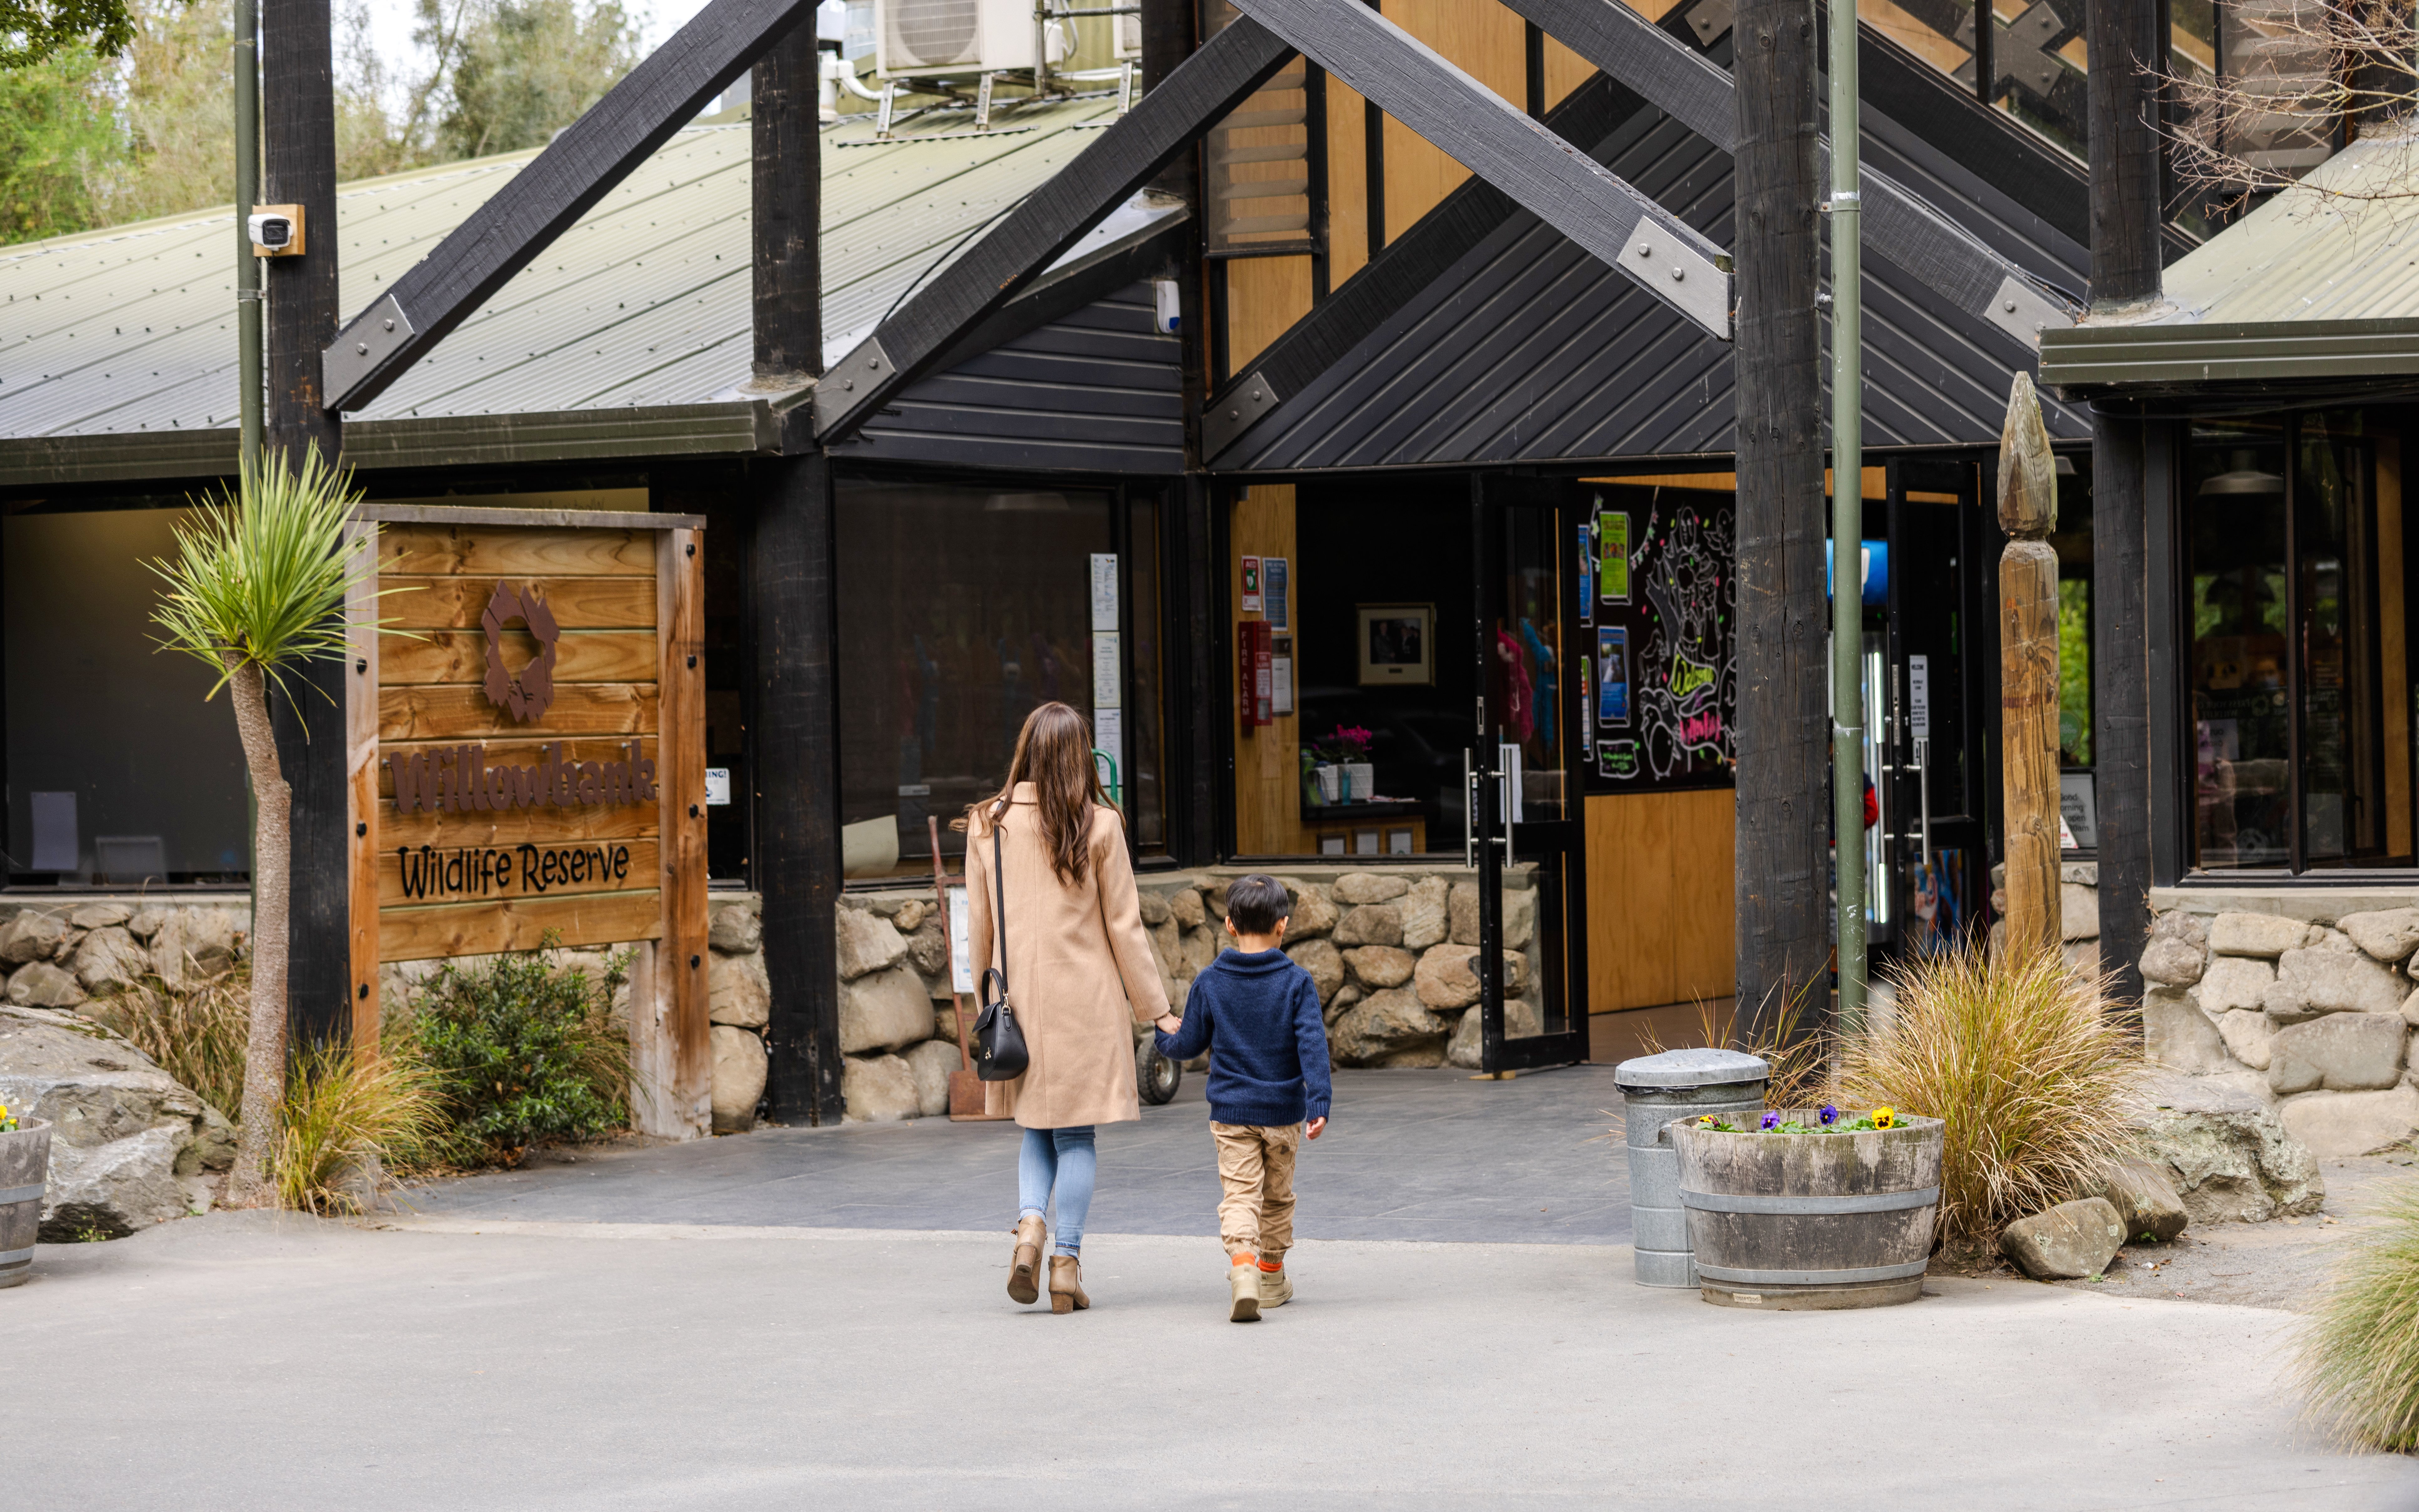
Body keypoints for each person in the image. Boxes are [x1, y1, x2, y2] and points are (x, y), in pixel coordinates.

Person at [962, 702, 1169, 1315]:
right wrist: (1156, 1009)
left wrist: (986, 1006)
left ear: (1025, 750)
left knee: (1036, 1125)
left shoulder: (986, 823)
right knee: (1076, 1131)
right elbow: (1125, 927)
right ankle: (1066, 1263)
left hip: (1019, 998)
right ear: (1081, 756)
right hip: (1086, 998)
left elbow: (982, 928)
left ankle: (1029, 1228)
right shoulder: (1100, 824)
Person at [1151, 874, 1332, 1323]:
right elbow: (1313, 1045)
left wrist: (1163, 1037)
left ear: (1229, 925)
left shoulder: (1211, 981)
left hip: (1232, 1115)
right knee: (1277, 1197)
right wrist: (1320, 1102)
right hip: (1283, 1114)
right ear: (1283, 925)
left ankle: (1243, 1269)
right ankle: (1271, 1277)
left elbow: (1189, 1043)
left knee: (1240, 1196)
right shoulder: (1297, 982)